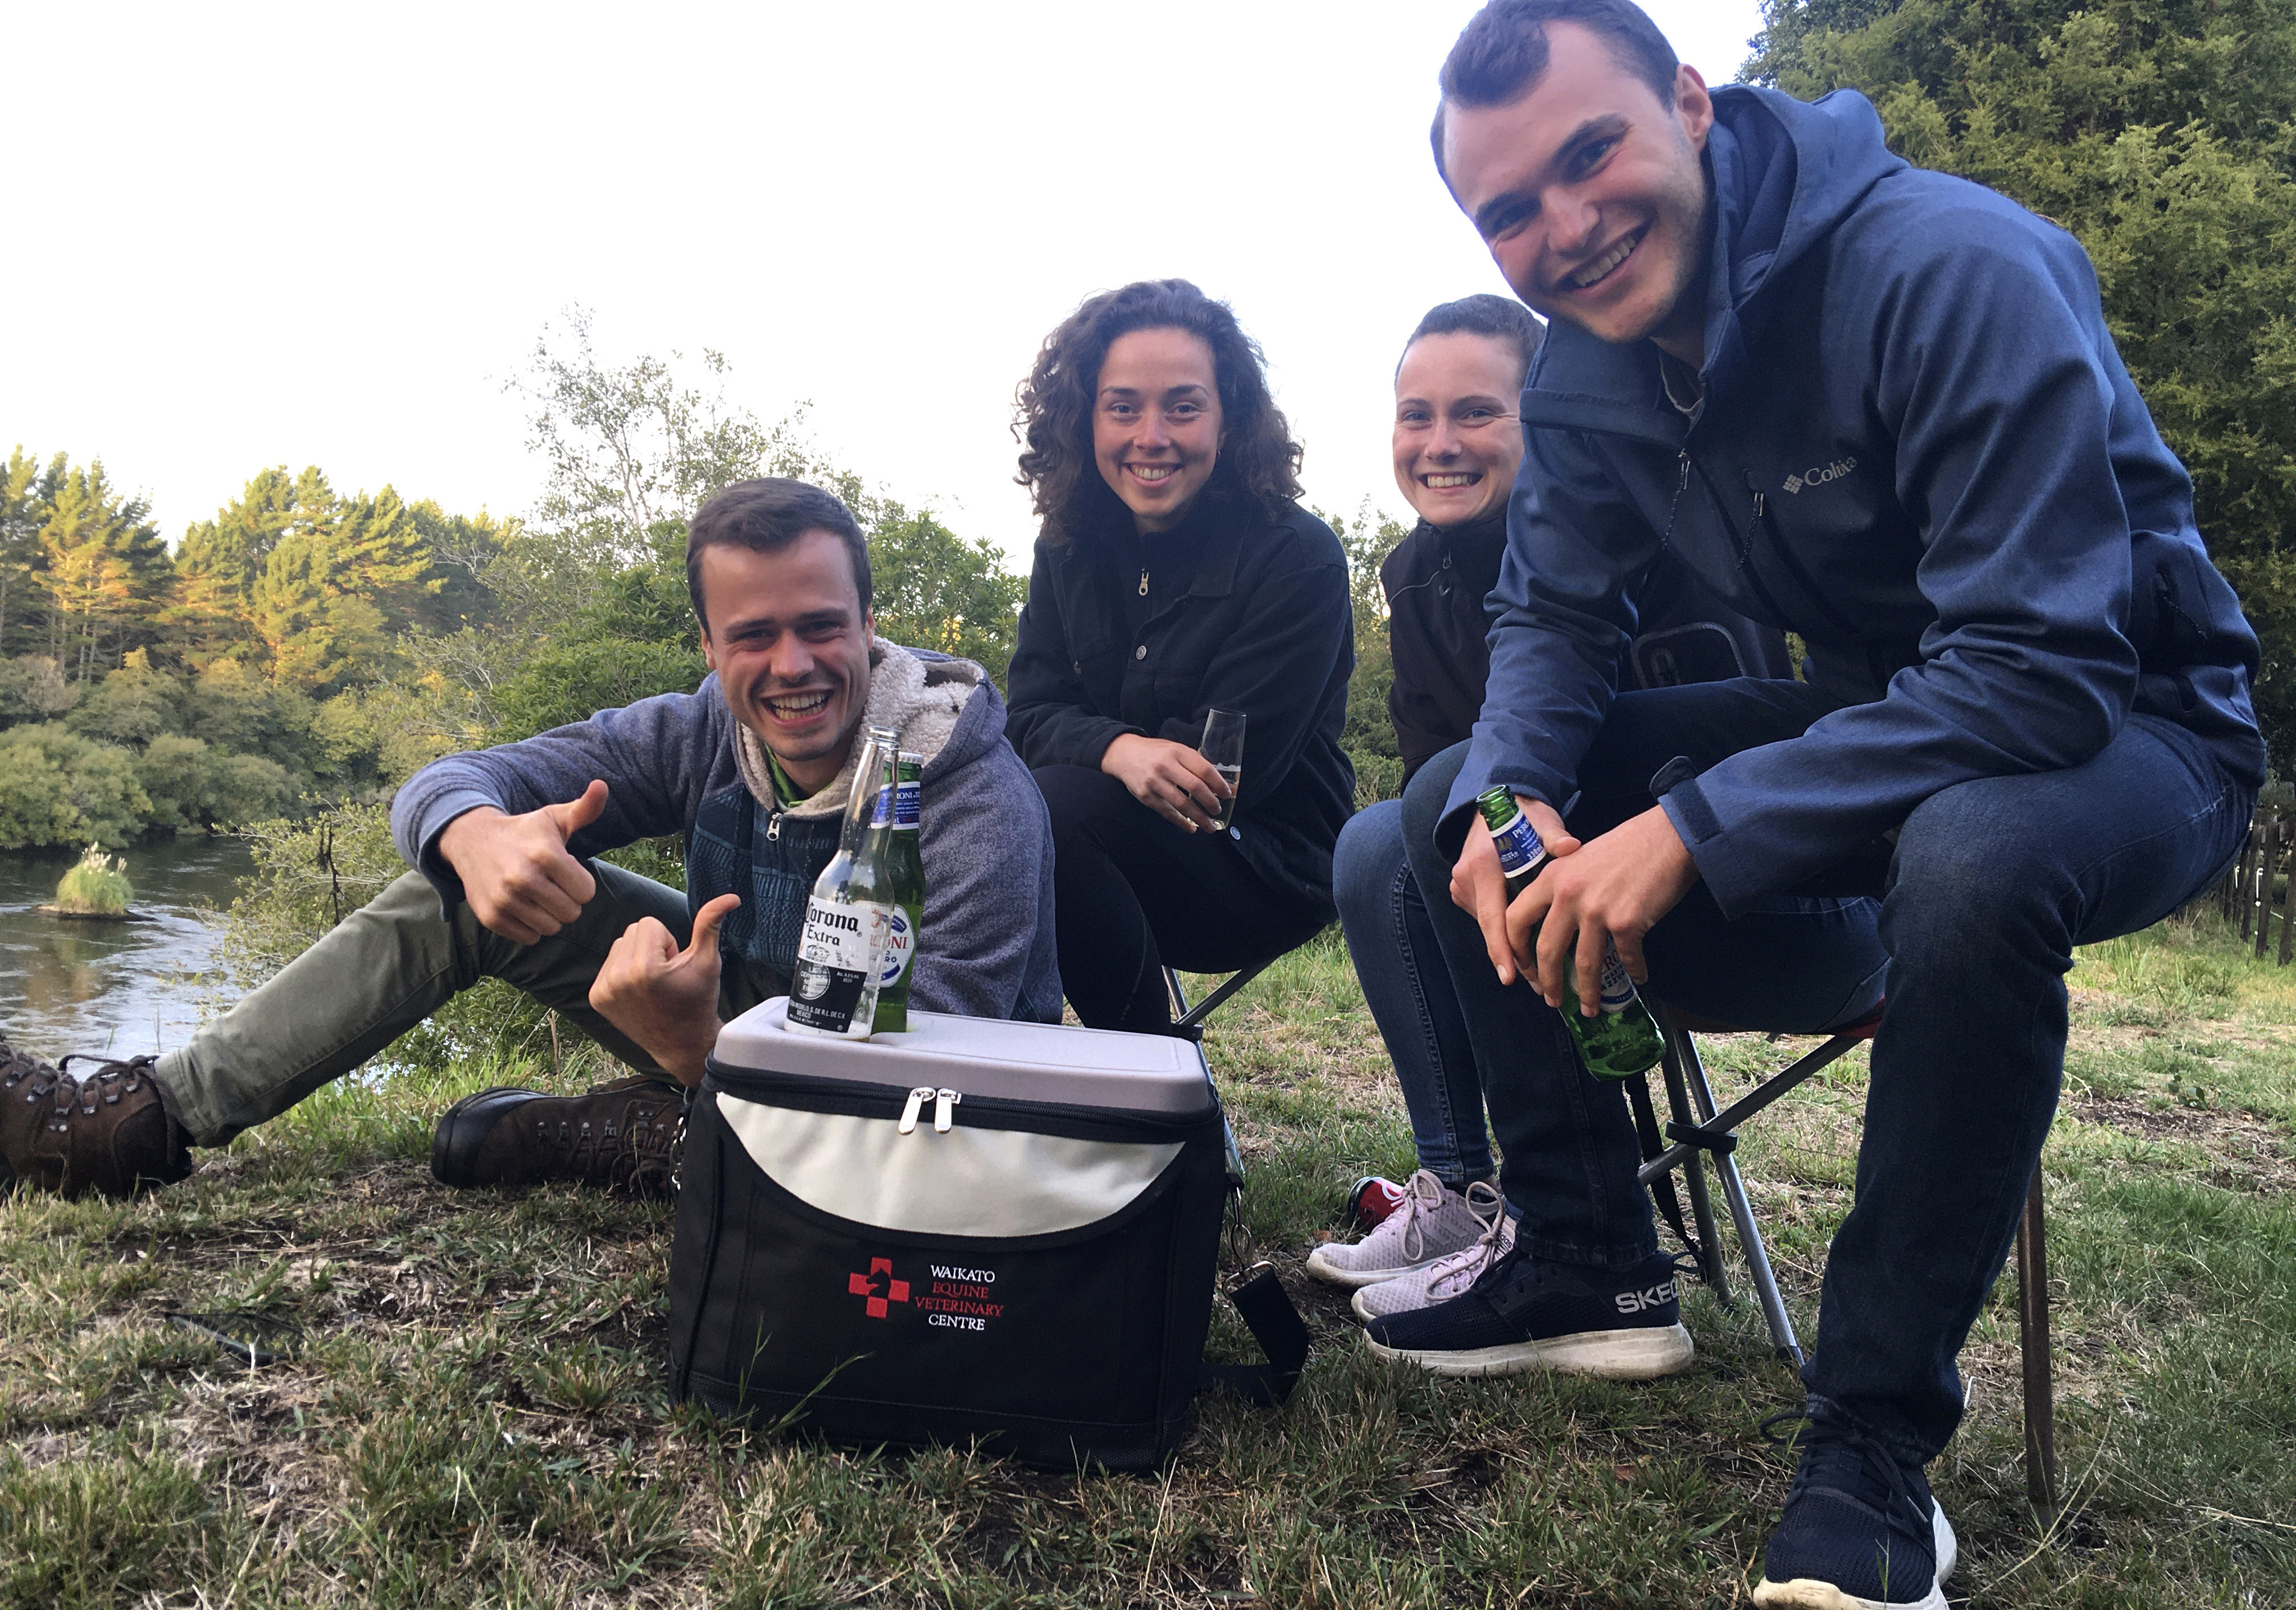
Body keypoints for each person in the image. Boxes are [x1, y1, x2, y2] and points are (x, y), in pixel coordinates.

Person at [1362, 0, 2264, 1610]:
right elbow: (1552, 625)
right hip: (1889, 715)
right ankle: (1585, 1254)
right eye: (1507, 211)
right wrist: (1510, 804)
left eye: (1592, 157)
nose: (1562, 229)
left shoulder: (1947, 266)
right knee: (1447, 806)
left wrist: (1691, 828)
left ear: (1691, 106)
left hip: (2138, 722)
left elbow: (2043, 674)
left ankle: (1871, 1448)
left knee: (1977, 853)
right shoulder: (1578, 374)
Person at [2, 478, 1061, 1201]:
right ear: (708, 644)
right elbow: (457, 779)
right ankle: (146, 1118)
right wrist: (472, 837)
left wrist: (699, 1054)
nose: (793, 664)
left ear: (870, 622)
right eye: (753, 635)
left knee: (836, 1119)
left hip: (921, 1102)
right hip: (744, 1029)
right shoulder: (702, 729)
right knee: (465, 884)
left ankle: (672, 1124)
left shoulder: (969, 794)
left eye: (822, 625)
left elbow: (910, 1118)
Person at [1311, 293, 1789, 1304]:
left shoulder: (1647, 529)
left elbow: (1733, 735)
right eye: (1416, 415)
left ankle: (1580, 1235)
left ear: (1548, 422)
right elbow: (1435, 792)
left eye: (1477, 412)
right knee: (1377, 842)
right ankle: (1462, 1187)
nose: (1440, 444)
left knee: (1449, 804)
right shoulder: (1415, 574)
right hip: (1523, 908)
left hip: (1702, 880)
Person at [1004, 279, 1356, 1032]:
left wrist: (1093, 750)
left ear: (1228, 422)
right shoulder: (1067, 546)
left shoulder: (1298, 558)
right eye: (1123, 406)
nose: (1151, 436)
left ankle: (1158, 1113)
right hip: (1102, 846)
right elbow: (1026, 714)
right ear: (1084, 419)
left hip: (1260, 866)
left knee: (1056, 809)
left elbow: (1218, 778)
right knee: (988, 807)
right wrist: (1118, 747)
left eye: (1184, 406)